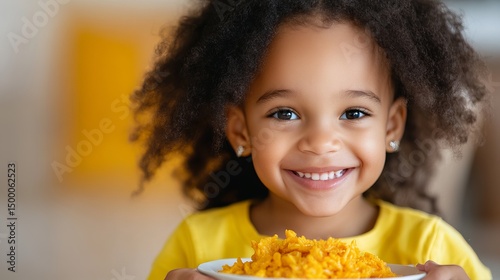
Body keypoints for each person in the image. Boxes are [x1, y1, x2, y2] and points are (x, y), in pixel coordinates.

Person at [130, 0, 492, 279]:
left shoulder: (431, 248)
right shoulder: (198, 244)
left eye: (353, 113)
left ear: (391, 127)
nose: (320, 143)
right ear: (241, 131)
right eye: (284, 113)